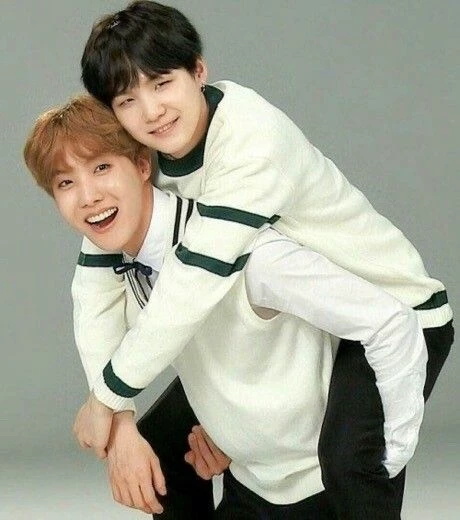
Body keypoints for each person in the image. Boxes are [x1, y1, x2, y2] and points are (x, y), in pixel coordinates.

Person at [73, 2, 454, 517]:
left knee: (350, 463)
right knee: (162, 447)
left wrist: (108, 397)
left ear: (199, 71)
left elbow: (194, 282)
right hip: (302, 319)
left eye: (162, 83)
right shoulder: (143, 155)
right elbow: (96, 283)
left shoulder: (252, 139)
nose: (152, 111)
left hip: (390, 314)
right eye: (127, 100)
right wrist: (118, 420)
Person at [23, 94, 430, 519]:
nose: (88, 196)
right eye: (65, 183)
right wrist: (122, 424)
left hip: (326, 486)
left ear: (143, 166)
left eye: (101, 168)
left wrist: (391, 454)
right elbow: (94, 316)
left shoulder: (247, 252)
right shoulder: (121, 262)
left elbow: (389, 319)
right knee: (160, 442)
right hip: (251, 485)